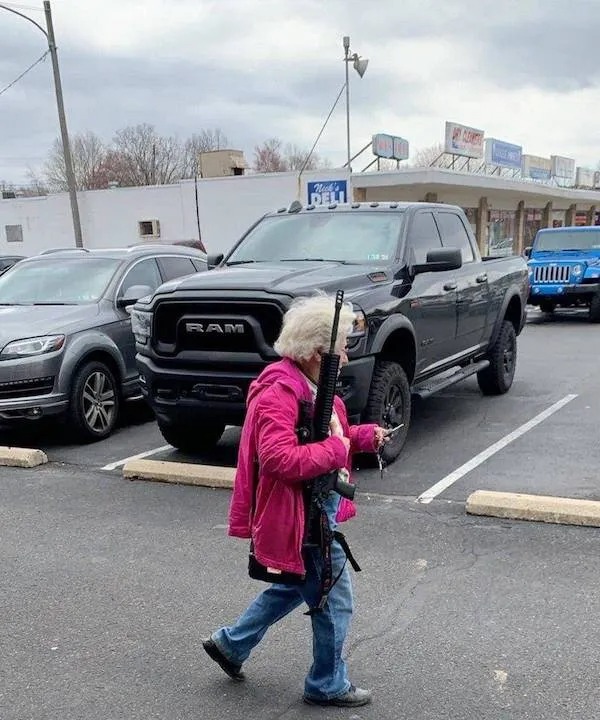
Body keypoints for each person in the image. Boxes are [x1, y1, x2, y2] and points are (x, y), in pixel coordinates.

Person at [202, 293, 390, 707]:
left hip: (310, 510)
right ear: (316, 354)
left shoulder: (310, 387)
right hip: (302, 516)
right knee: (334, 598)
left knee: (293, 586)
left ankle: (231, 645)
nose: (345, 355)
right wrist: (340, 451)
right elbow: (279, 458)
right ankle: (327, 684)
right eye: (340, 347)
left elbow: (324, 438)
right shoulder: (280, 393)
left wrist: (362, 436)